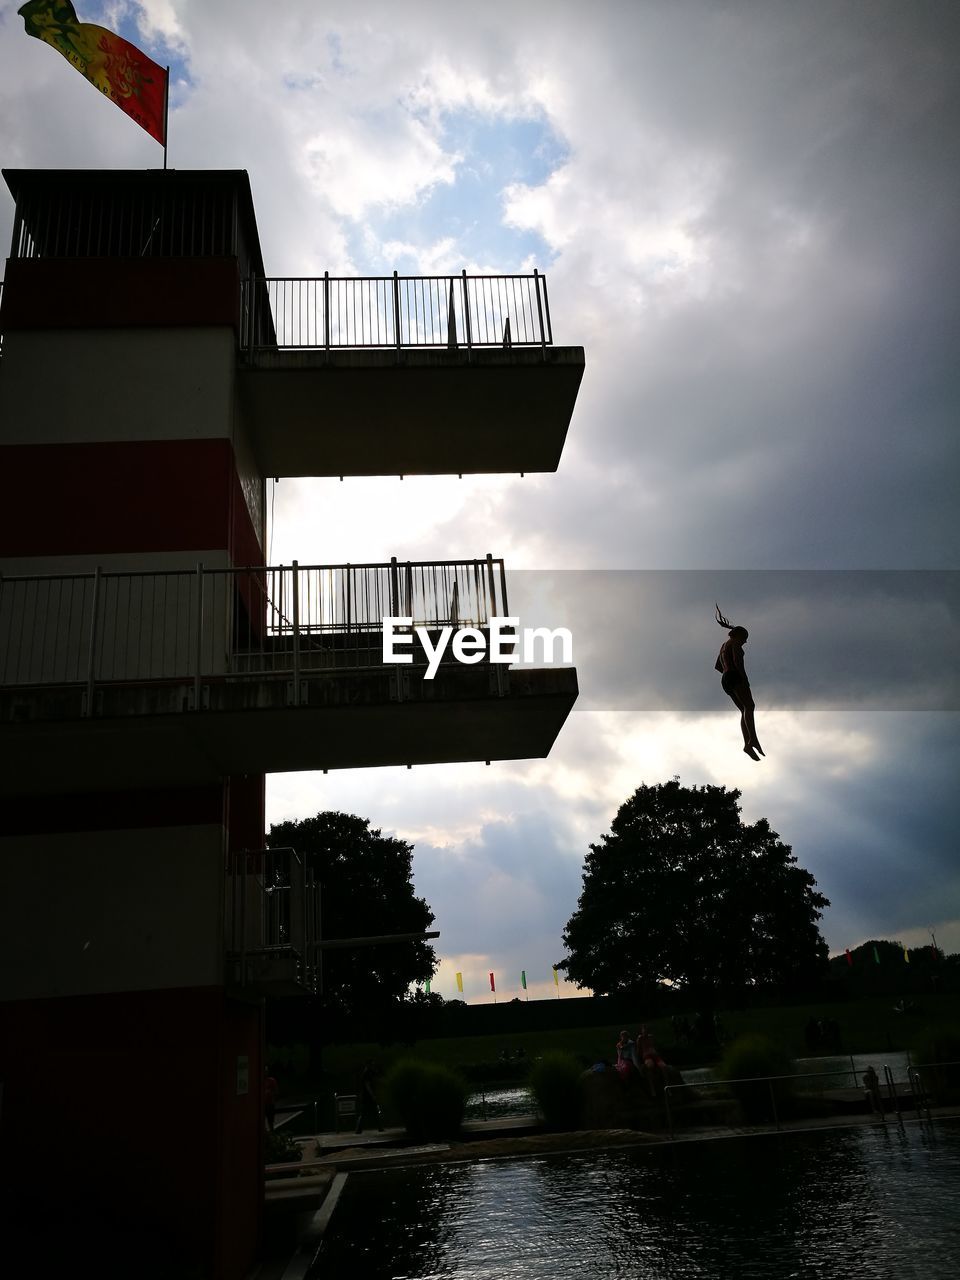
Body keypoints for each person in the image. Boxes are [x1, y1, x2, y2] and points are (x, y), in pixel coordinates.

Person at [715, 603, 764, 760]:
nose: (746, 642)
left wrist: (729, 676)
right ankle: (753, 739)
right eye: (745, 639)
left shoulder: (723, 645)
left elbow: (718, 666)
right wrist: (744, 679)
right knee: (750, 706)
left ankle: (747, 743)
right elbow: (737, 661)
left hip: (725, 679)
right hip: (735, 676)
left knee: (744, 710)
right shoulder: (735, 643)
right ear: (739, 636)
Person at [636, 1024, 668, 1097]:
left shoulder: (651, 1037)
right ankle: (652, 1089)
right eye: (644, 1029)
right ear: (642, 1030)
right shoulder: (640, 1038)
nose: (645, 1031)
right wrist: (639, 1062)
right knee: (650, 1067)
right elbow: (638, 1051)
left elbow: (655, 1046)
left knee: (664, 1067)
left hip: (655, 1056)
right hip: (647, 1056)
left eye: (646, 1029)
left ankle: (667, 1087)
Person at [354, 1060, 383, 1135]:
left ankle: (359, 1129)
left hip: (366, 1097)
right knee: (372, 1112)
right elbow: (367, 1086)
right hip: (367, 1097)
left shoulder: (367, 1073)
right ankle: (380, 1127)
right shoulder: (367, 1073)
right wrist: (373, 1095)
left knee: (365, 1113)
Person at [264, 1067, 278, 1132]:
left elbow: (275, 1091)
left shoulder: (271, 1080)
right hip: (264, 1104)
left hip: (270, 1103)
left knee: (270, 1121)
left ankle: (271, 1134)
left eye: (266, 1071)